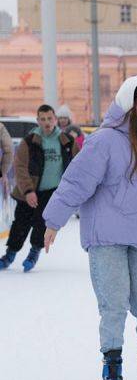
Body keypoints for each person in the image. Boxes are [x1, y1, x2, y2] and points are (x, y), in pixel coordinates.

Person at [41, 76, 137, 380]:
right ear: (128, 101)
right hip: (107, 238)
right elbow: (75, 183)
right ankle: (112, 362)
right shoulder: (104, 141)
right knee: (114, 305)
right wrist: (54, 220)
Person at [0, 104, 79, 271]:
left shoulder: (67, 141)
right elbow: (20, 167)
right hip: (27, 191)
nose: (47, 122)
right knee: (20, 223)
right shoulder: (29, 141)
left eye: (50, 118)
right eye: (43, 119)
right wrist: (28, 191)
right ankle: (10, 254)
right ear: (38, 121)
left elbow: (78, 164)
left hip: (52, 192)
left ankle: (34, 252)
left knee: (41, 223)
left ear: (55, 119)